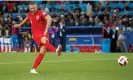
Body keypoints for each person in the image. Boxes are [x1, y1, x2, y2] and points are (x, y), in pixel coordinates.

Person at [14, 2, 62, 74]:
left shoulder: (40, 13)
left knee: (42, 50)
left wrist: (46, 29)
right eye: (31, 8)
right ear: (29, 8)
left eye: (34, 8)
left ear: (36, 7)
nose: (32, 9)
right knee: (43, 40)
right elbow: (26, 19)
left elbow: (49, 19)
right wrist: (19, 24)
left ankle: (33, 69)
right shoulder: (30, 14)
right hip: (36, 34)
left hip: (44, 33)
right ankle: (56, 50)